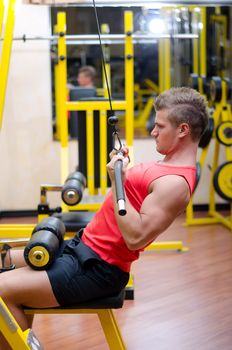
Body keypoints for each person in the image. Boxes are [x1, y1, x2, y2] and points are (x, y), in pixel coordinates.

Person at [0, 87, 209, 348]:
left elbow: (135, 237)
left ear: (183, 130)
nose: (153, 131)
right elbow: (133, 196)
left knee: (1, 290)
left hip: (98, 270)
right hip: (82, 248)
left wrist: (116, 179)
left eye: (159, 126)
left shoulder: (176, 184)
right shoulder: (166, 165)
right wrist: (123, 169)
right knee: (3, 259)